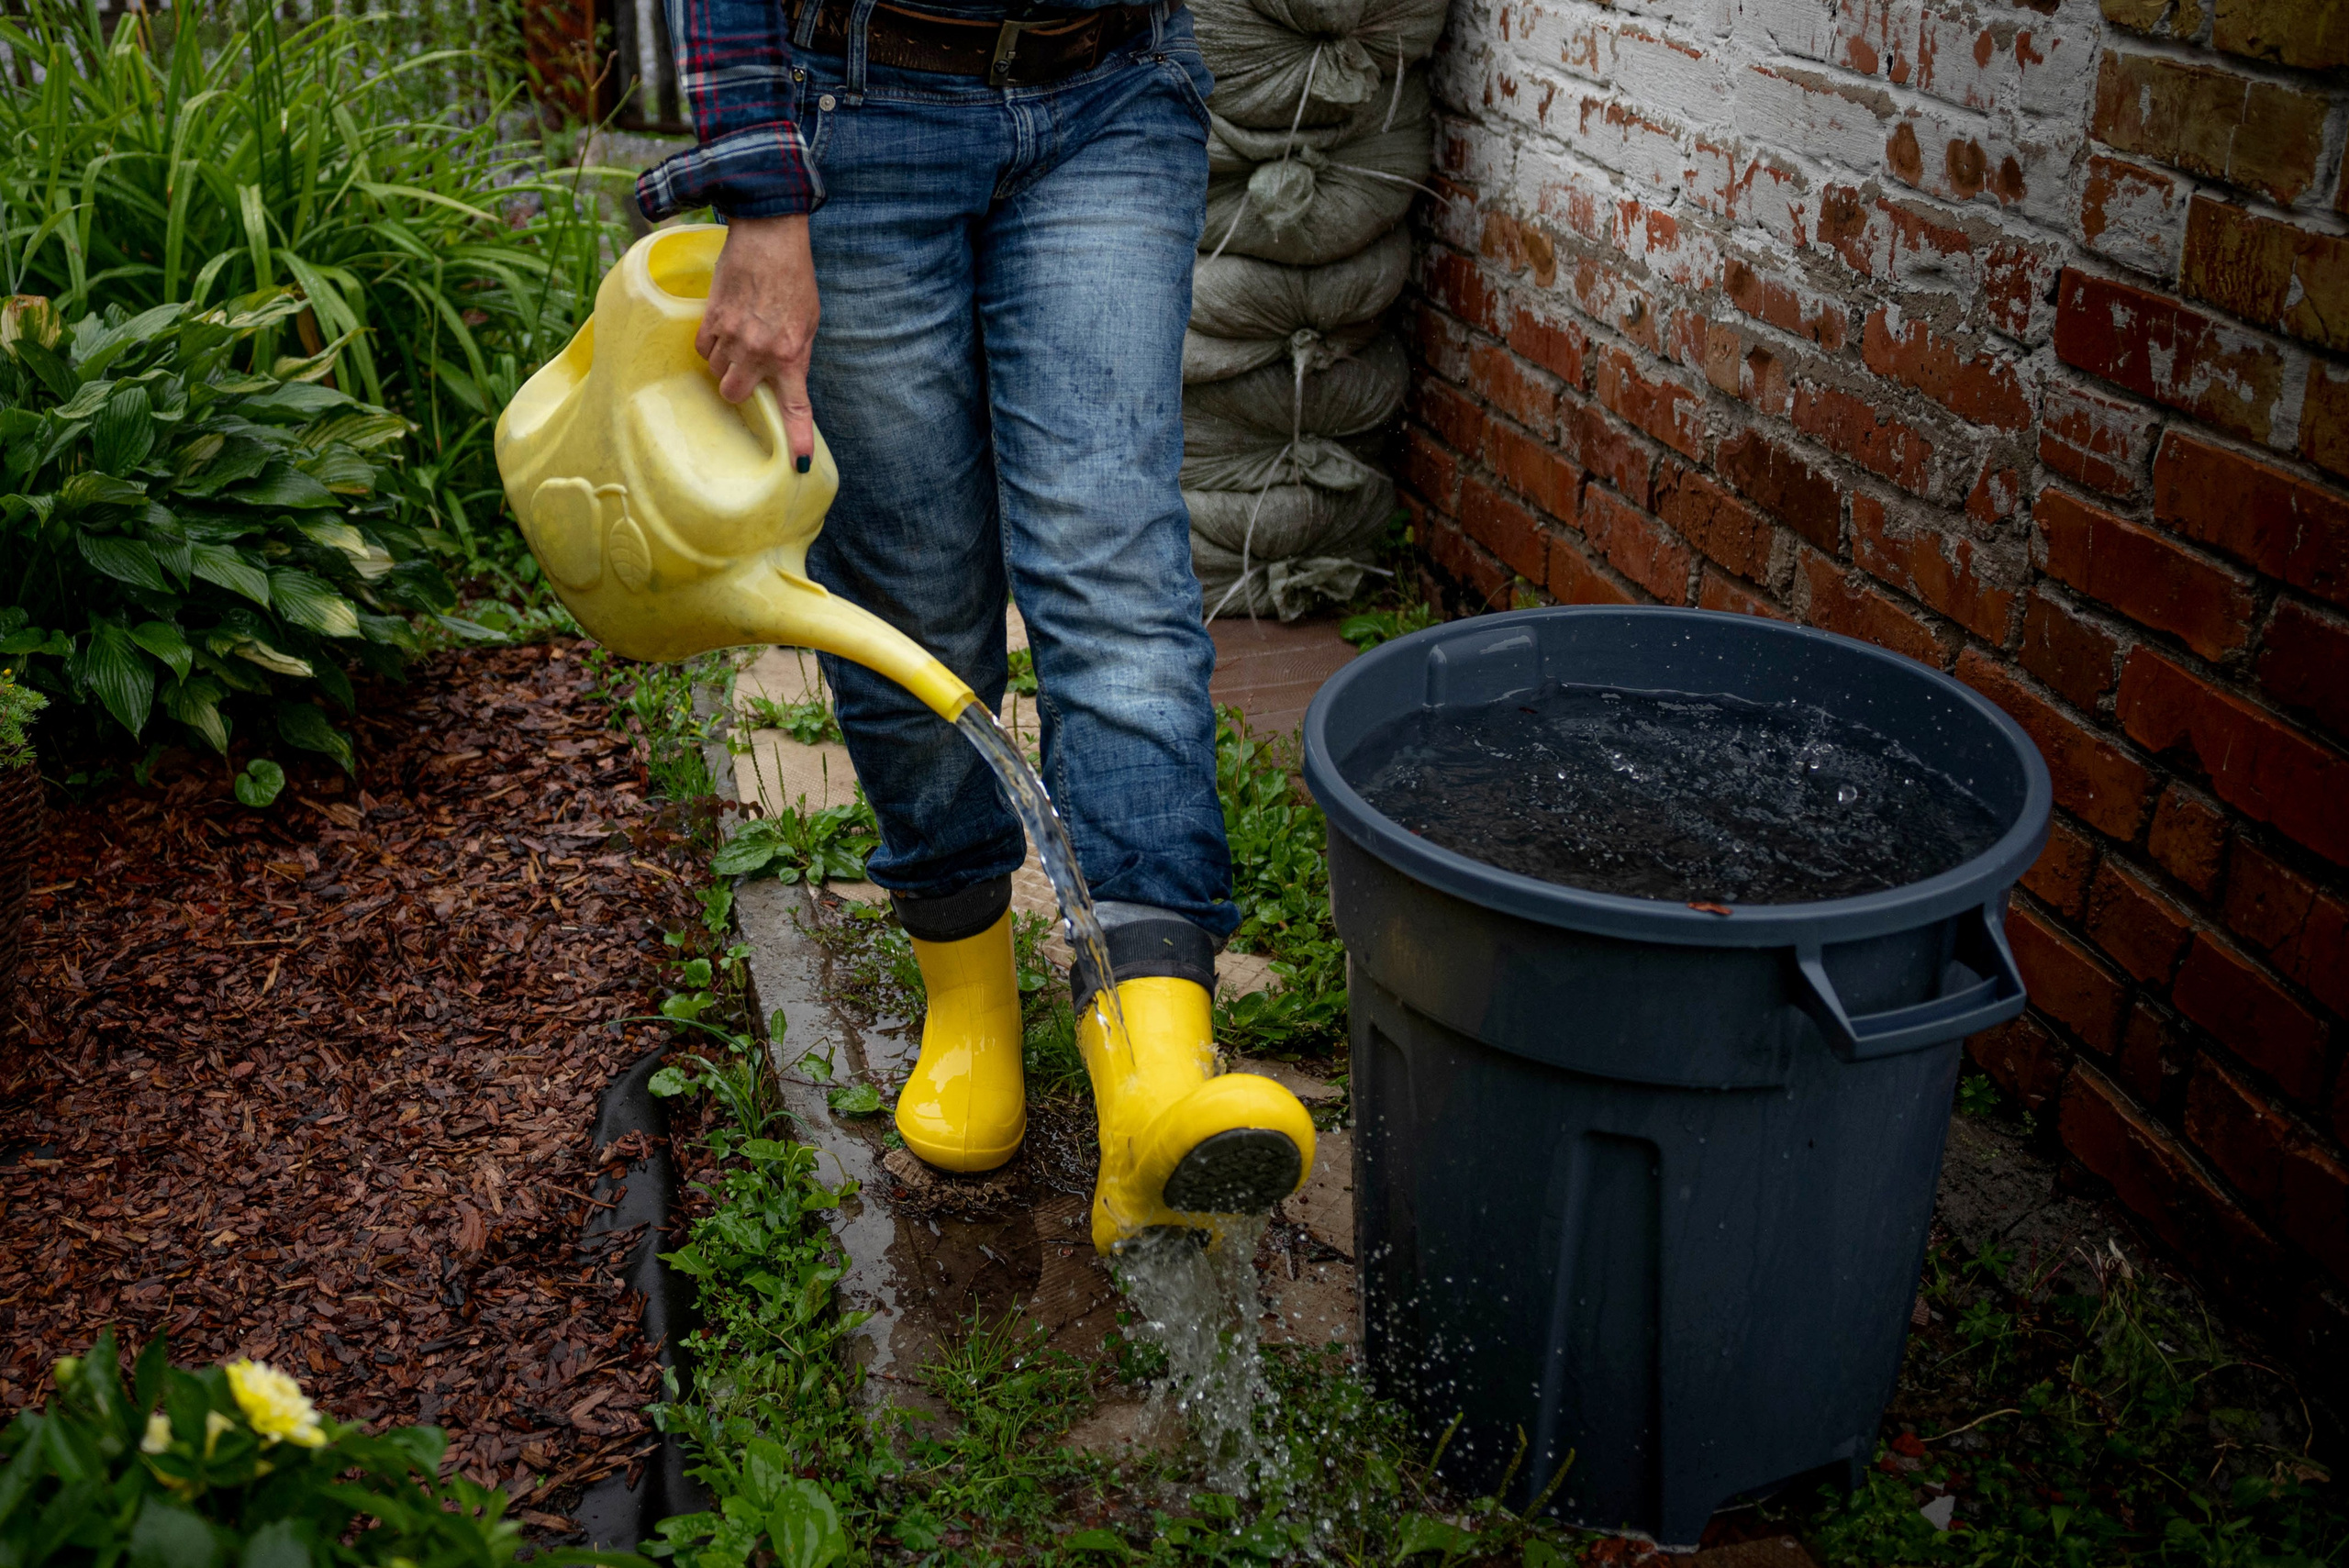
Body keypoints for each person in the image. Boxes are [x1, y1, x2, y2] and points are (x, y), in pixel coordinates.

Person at [636, 0, 1315, 1252]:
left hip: (1109, 91)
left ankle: (1155, 1067)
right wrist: (761, 197)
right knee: (913, 594)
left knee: (1115, 568)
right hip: (859, 113)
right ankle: (969, 994)